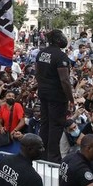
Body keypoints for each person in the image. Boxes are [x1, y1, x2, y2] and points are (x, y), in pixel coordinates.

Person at [35, 29, 74, 162]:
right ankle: (53, 158)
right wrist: (71, 99)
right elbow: (65, 80)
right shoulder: (60, 56)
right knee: (56, 126)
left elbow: (37, 74)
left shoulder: (41, 53)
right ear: (58, 39)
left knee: (45, 124)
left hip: (44, 94)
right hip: (57, 96)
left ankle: (42, 154)